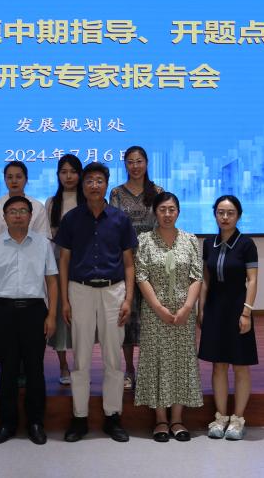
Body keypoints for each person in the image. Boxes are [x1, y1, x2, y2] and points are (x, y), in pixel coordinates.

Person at [55, 162, 137, 443]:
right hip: (80, 291)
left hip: (114, 291)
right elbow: (64, 261)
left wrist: (128, 298)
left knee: (114, 357)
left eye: (99, 180)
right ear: (83, 185)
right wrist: (65, 300)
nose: (94, 185)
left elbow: (129, 263)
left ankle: (113, 416)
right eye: (89, 180)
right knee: (80, 358)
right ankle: (79, 417)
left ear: (106, 184)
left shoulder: (120, 219)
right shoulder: (71, 219)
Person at [0, 196, 59, 446]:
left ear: (30, 216)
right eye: (12, 211)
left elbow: (52, 281)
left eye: (23, 211)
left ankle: (36, 423)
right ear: (4, 217)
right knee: (8, 370)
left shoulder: (42, 244)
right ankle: (7, 423)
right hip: (3, 312)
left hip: (34, 311)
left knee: (35, 369)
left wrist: (51, 315)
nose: (17, 215)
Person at [133, 192, 203, 442]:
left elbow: (197, 276)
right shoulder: (144, 240)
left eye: (171, 209)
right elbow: (141, 276)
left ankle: (177, 419)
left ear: (178, 212)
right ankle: (161, 420)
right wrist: (158, 308)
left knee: (181, 362)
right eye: (162, 209)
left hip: (183, 314)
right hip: (155, 314)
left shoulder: (190, 240)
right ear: (155, 212)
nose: (167, 214)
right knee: (157, 362)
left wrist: (187, 308)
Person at [198, 194, 259, 441]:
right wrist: (201, 308)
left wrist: (246, 312)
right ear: (215, 214)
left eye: (230, 213)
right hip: (214, 308)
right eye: (221, 212)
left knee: (240, 365)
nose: (225, 217)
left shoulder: (246, 244)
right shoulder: (208, 243)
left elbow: (252, 280)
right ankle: (220, 417)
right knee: (218, 365)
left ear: (238, 216)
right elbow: (205, 278)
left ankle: (238, 419)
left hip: (237, 308)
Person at [109, 145, 163, 391]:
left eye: (139, 161)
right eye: (130, 162)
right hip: (125, 261)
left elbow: (164, 225)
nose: (135, 166)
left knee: (152, 317)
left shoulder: (158, 192)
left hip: (153, 261)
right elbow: (112, 227)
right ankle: (129, 369)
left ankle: (149, 369)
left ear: (147, 163)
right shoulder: (117, 193)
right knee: (127, 317)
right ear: (125, 165)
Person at [44, 154, 86, 386]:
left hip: (84, 265)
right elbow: (49, 235)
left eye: (73, 171)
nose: (68, 176)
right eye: (63, 172)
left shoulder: (88, 199)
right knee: (61, 314)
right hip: (59, 261)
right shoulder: (52, 202)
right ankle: (63, 364)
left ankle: (81, 365)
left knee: (82, 317)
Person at [0, 161, 49, 241]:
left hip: (32, 249)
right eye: (10, 177)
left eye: (18, 177)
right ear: (5, 180)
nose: (14, 181)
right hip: (0, 249)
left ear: (26, 179)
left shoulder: (38, 207)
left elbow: (43, 238)